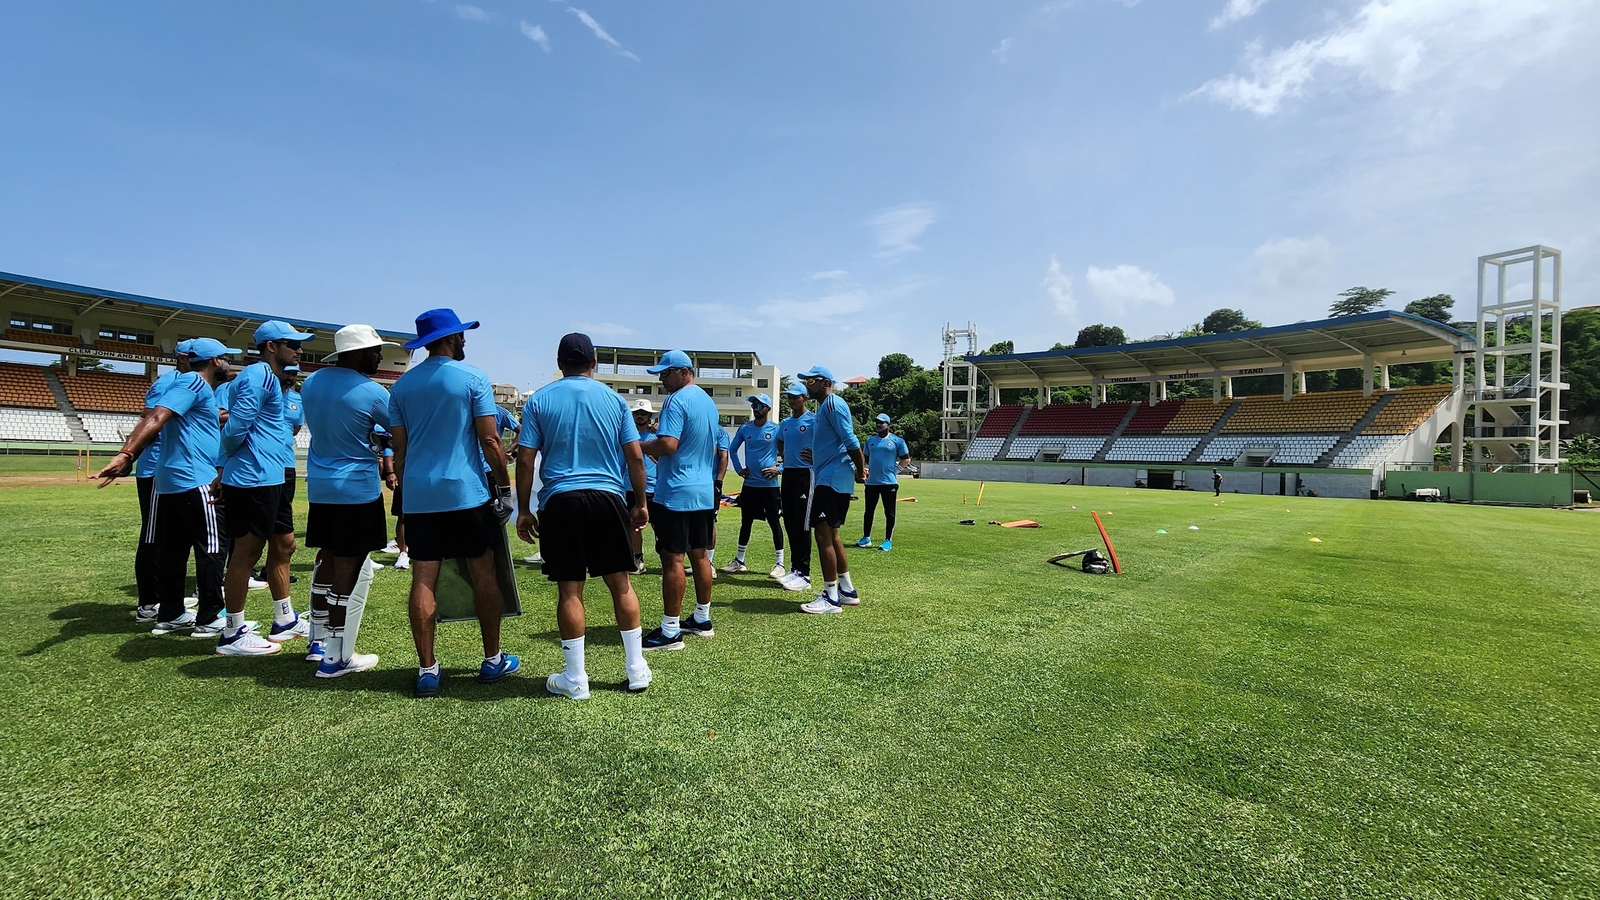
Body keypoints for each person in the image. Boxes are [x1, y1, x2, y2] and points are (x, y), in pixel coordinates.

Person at [388, 308, 519, 698]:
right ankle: (492, 659)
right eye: (461, 335)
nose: (464, 340)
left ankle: (427, 669)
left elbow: (400, 450)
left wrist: (407, 490)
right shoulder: (473, 378)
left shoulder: (402, 386)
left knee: (423, 578)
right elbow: (490, 440)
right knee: (483, 574)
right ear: (450, 338)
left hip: (420, 495)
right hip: (466, 494)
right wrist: (505, 488)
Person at [516, 333, 654, 699]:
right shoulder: (613, 400)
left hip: (561, 500)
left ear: (560, 364)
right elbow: (636, 457)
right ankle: (636, 669)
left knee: (570, 589)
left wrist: (525, 509)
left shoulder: (540, 400)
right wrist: (640, 502)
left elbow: (527, 458)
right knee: (620, 583)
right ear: (594, 362)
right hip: (608, 498)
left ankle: (576, 678)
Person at [95, 339, 238, 643]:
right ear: (215, 361)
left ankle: (171, 613)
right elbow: (156, 417)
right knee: (212, 547)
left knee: (172, 548)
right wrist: (127, 455)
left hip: (170, 480)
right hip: (196, 477)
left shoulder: (195, 388)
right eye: (227, 359)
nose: (230, 364)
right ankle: (211, 617)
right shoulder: (194, 384)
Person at [300, 324, 401, 677]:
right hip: (356, 489)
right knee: (350, 570)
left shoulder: (312, 383)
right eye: (375, 351)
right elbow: (399, 429)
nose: (379, 357)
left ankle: (316, 640)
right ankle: (336, 655)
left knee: (326, 560)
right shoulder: (372, 392)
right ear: (357, 354)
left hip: (321, 487)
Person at [218, 320, 314, 653]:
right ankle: (232, 632)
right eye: (292, 343)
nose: (299, 349)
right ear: (271, 346)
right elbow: (234, 428)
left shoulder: (267, 378)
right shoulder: (258, 376)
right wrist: (226, 464)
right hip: (253, 478)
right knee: (246, 554)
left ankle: (284, 619)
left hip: (271, 477)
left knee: (285, 544)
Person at [637, 349, 720, 650]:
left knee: (673, 559)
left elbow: (668, 445)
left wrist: (638, 446)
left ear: (684, 372)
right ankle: (702, 618)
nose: (661, 379)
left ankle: (670, 630)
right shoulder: (708, 402)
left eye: (666, 372)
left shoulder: (676, 400)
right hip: (702, 490)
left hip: (676, 491)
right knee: (700, 556)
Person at [130, 340, 193, 623]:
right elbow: (150, 419)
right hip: (156, 468)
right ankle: (148, 603)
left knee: (172, 537)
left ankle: (169, 597)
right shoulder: (166, 385)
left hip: (171, 469)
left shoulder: (189, 383)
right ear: (182, 357)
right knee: (153, 535)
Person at [796, 366, 866, 615]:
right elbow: (835, 443)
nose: (807, 385)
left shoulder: (832, 404)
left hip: (833, 479)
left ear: (825, 382)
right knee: (832, 535)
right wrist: (818, 455)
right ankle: (846, 591)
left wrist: (860, 470)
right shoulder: (824, 407)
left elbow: (851, 441)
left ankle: (831, 597)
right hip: (829, 475)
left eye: (811, 381)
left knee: (823, 535)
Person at [722, 393, 785, 578]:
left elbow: (789, 452)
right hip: (750, 485)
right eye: (753, 405)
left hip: (770, 486)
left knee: (774, 522)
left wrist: (779, 469)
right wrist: (740, 469)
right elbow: (732, 449)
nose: (755, 408)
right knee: (746, 522)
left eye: (759, 405)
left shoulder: (776, 429)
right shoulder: (745, 428)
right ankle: (739, 561)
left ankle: (780, 563)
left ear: (768, 409)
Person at [774, 382, 814, 592]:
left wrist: (816, 456)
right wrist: (786, 454)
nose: (791, 401)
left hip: (805, 475)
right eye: (788, 397)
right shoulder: (786, 423)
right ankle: (795, 569)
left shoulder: (814, 420)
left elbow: (829, 442)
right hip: (788, 473)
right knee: (789, 522)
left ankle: (804, 574)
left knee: (802, 524)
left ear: (804, 399)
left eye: (795, 397)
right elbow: (780, 441)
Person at [858, 413, 910, 551]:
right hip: (872, 482)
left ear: (888, 424)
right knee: (868, 511)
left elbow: (906, 459)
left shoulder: (897, 441)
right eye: (877, 422)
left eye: (882, 422)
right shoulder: (870, 441)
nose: (878, 425)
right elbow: (868, 459)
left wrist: (895, 471)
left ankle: (888, 540)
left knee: (889, 512)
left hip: (889, 483)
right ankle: (866, 538)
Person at [627, 398, 658, 575]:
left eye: (644, 413)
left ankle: (667, 559)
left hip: (654, 487)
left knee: (658, 526)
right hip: (629, 486)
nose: (640, 416)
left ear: (649, 416)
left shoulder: (657, 435)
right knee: (633, 526)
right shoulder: (627, 435)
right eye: (637, 413)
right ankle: (638, 559)